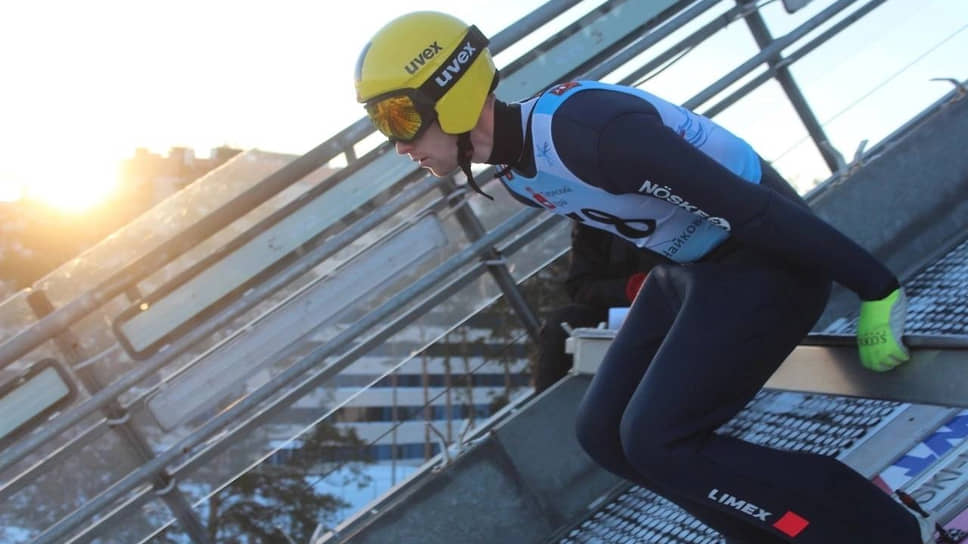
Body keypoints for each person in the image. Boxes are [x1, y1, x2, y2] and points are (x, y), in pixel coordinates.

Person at [353, 11, 931, 544]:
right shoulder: (517, 174)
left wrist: (876, 287)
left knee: (658, 442)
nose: (399, 146)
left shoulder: (589, 132)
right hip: (695, 270)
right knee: (603, 434)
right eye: (383, 125)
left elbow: (756, 209)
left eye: (399, 118)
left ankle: (888, 531)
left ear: (450, 93)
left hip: (768, 260)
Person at [534, 222, 666, 393]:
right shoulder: (592, 220)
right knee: (561, 323)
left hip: (677, 304)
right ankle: (549, 402)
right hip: (616, 310)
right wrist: (628, 289)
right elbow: (579, 286)